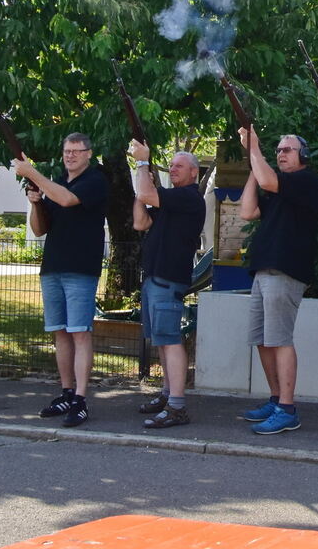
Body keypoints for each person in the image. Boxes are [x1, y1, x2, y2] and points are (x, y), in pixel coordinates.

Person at [14, 133, 108, 428]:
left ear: (89, 153)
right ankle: (66, 392)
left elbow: (67, 200)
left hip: (81, 269)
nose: (70, 156)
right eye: (67, 151)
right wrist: (35, 203)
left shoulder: (95, 180)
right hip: (52, 268)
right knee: (60, 333)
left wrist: (32, 174)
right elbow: (39, 229)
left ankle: (80, 399)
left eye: (76, 151)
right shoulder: (56, 182)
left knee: (80, 333)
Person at [237, 128, 318, 435]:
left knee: (280, 339)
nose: (281, 154)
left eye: (287, 150)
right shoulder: (275, 185)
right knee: (262, 339)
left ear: (304, 155)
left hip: (285, 270)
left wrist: (254, 150)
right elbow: (247, 211)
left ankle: (287, 408)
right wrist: (254, 161)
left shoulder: (305, 181)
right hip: (264, 271)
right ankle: (276, 399)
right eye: (277, 150)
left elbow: (268, 181)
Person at [131, 142, 205, 428]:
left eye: (179, 166)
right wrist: (142, 190)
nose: (173, 169)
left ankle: (177, 406)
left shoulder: (188, 197)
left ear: (194, 172)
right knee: (162, 340)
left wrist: (142, 165)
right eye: (171, 165)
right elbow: (140, 222)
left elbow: (148, 194)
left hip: (168, 280)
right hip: (155, 279)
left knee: (170, 340)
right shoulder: (171, 199)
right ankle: (167, 395)